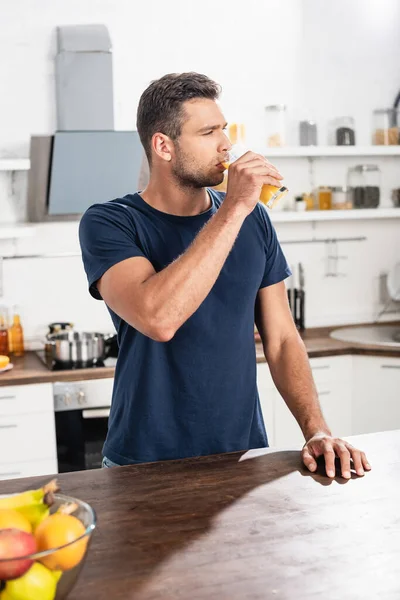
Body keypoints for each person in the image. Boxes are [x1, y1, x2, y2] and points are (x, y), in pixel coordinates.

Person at [79, 72, 371, 479]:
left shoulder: (255, 219)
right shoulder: (111, 222)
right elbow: (159, 318)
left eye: (225, 129)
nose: (226, 145)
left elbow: (283, 338)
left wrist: (316, 430)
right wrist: (233, 208)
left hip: (242, 457)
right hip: (142, 465)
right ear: (163, 146)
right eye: (208, 132)